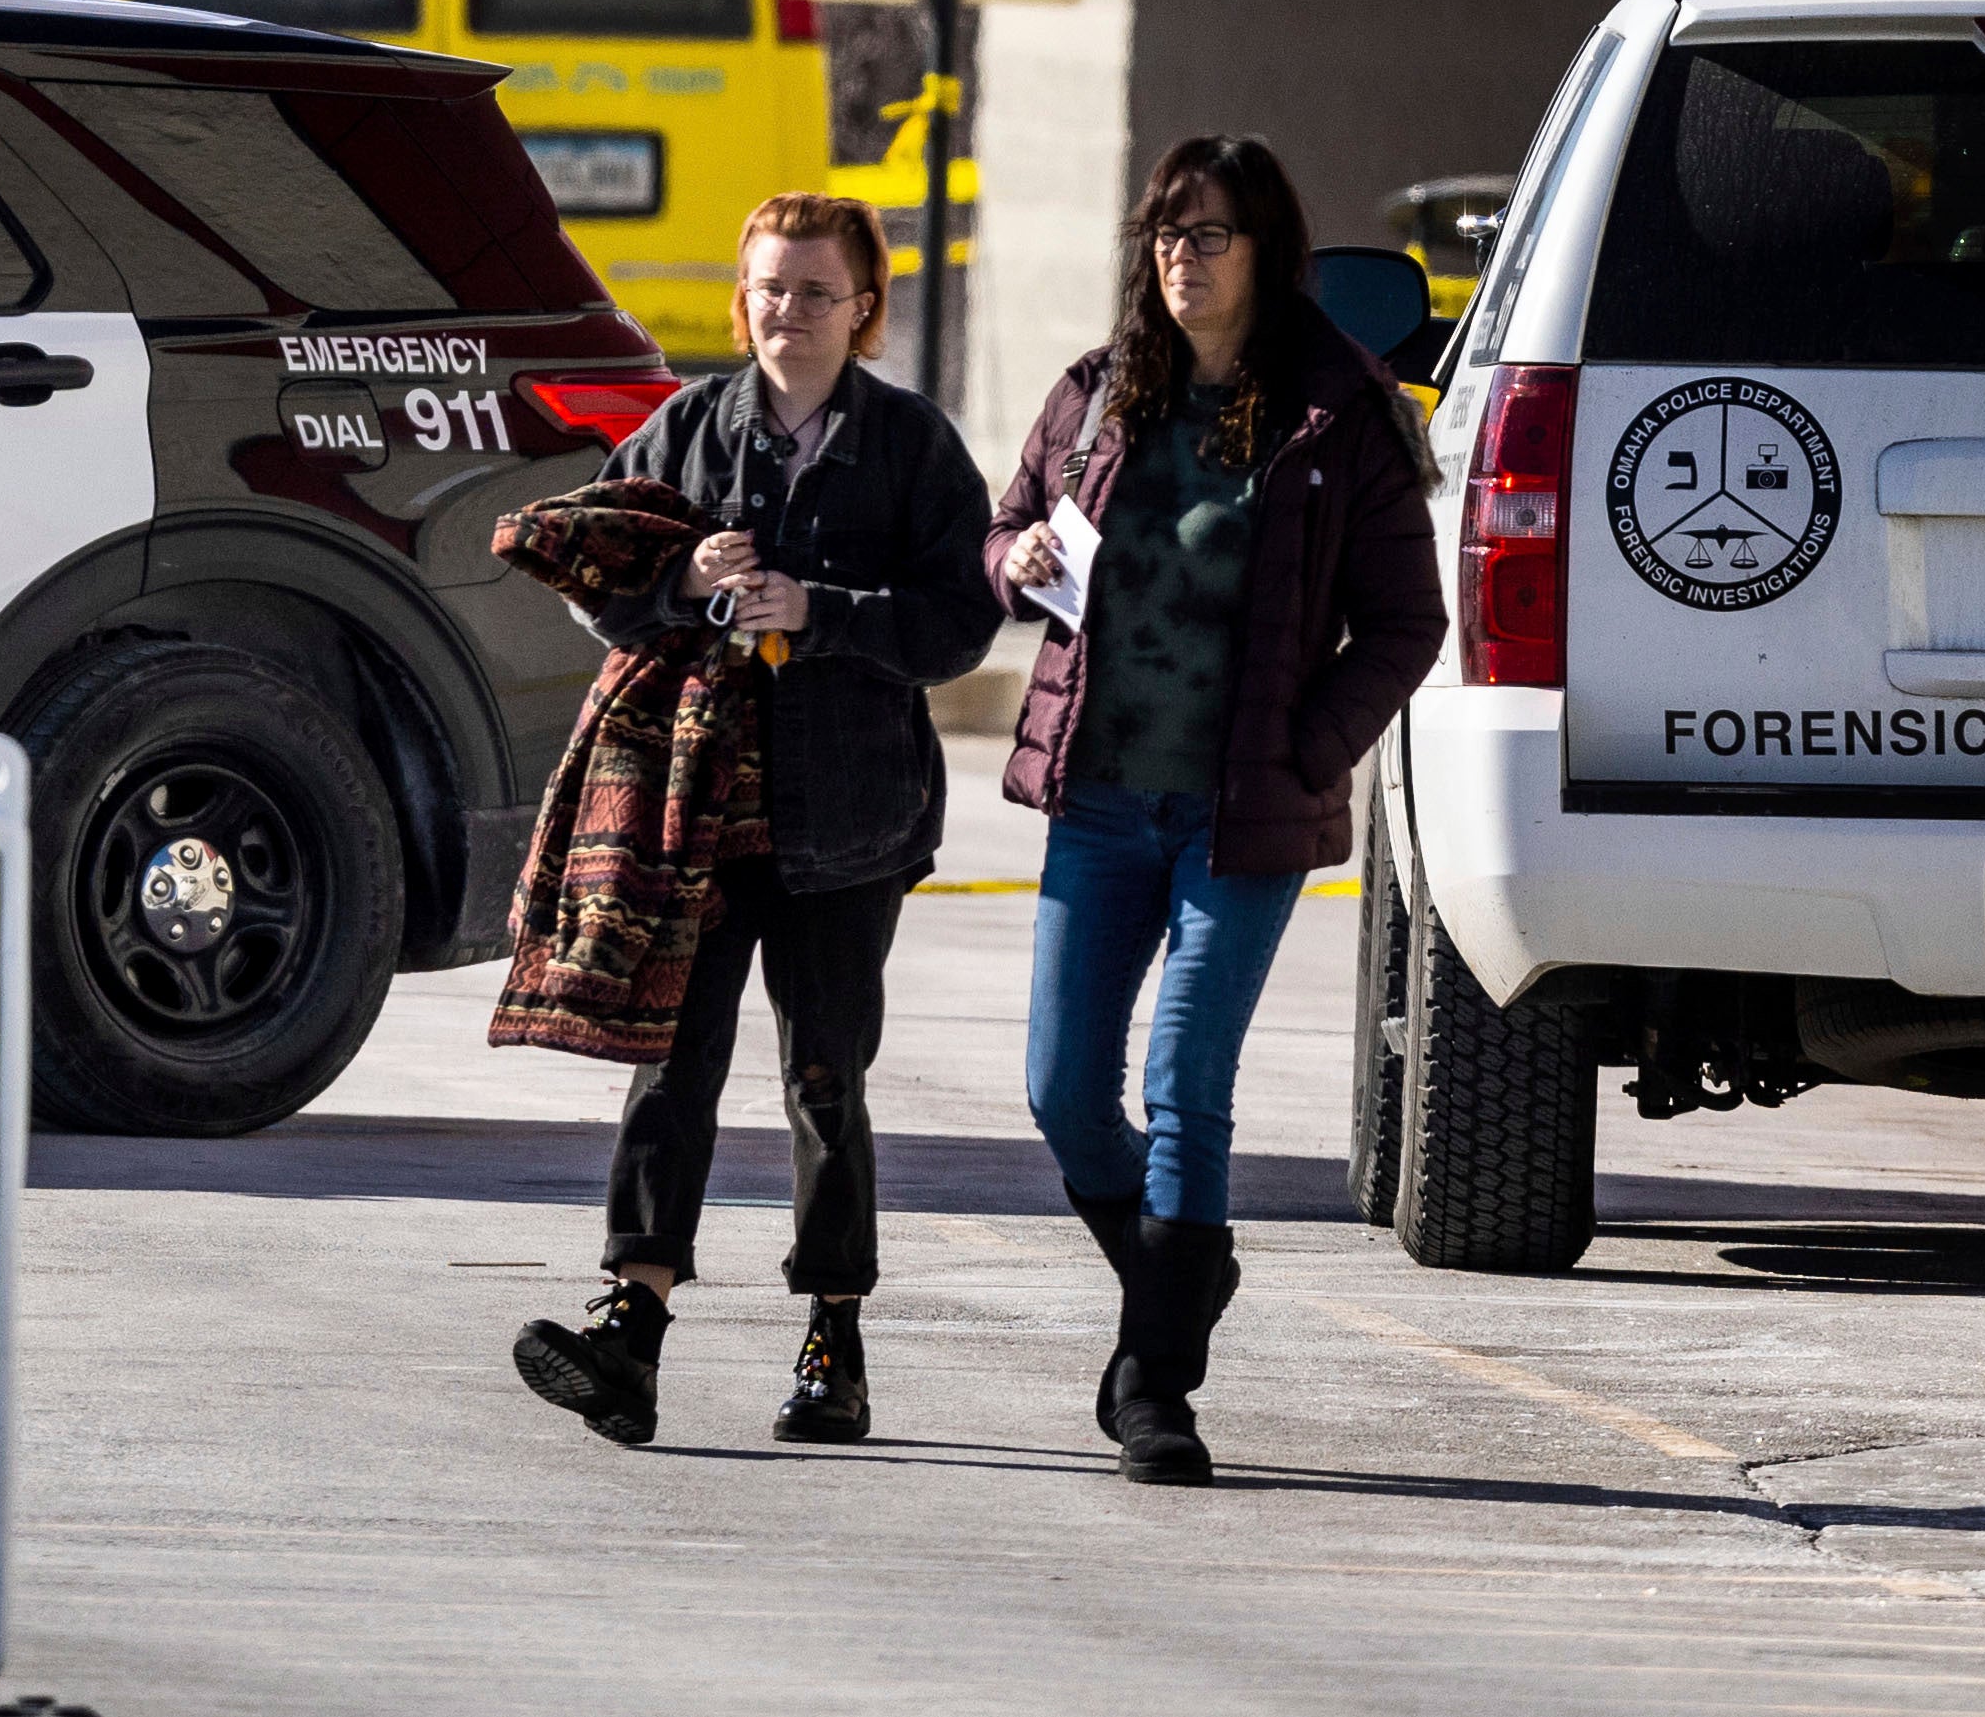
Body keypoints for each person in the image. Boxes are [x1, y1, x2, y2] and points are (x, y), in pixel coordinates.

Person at [498, 190, 998, 1454]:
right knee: (672, 1065)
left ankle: (835, 1340)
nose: (788, 310)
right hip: (695, 812)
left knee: (825, 1077)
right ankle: (632, 1322)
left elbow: (960, 620)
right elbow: (600, 583)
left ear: (864, 309)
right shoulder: (688, 427)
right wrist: (681, 581)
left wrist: (816, 606)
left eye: (816, 290)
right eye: (770, 286)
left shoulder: (912, 446)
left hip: (851, 822)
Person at [986, 131, 1440, 1489]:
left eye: (1211, 235)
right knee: (1062, 1090)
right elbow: (1002, 542)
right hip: (1101, 799)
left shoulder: (1335, 413)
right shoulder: (1094, 396)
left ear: (1265, 253)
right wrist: (1009, 555)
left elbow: (1403, 625)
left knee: (1186, 1082)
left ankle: (1153, 1385)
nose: (1183, 258)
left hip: (1240, 811)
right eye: (1167, 233)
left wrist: (1309, 751)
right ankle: (1181, 1276)